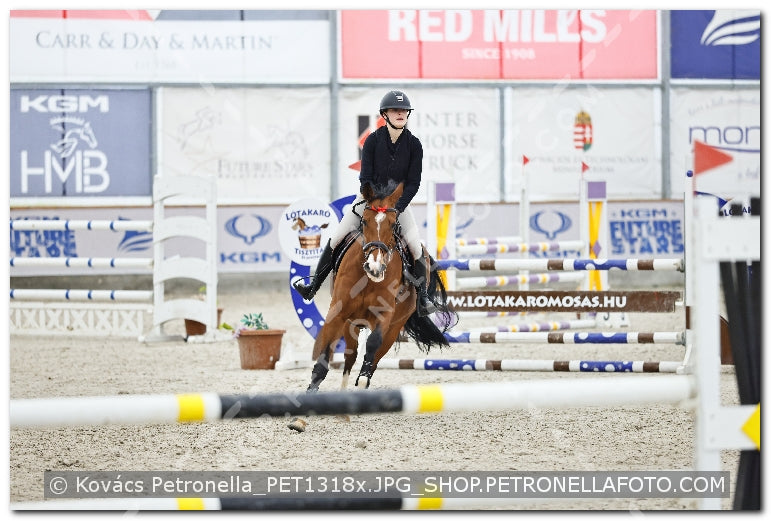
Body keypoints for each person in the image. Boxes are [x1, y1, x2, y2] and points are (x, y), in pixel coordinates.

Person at [293, 89, 437, 316]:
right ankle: (313, 287)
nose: (401, 114)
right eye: (395, 110)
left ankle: (423, 297)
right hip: (368, 200)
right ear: (386, 114)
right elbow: (365, 177)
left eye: (404, 111)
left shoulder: (414, 145)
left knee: (416, 246)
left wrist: (396, 209)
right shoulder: (372, 140)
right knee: (336, 237)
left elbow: (413, 183)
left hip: (398, 205)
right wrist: (373, 201)